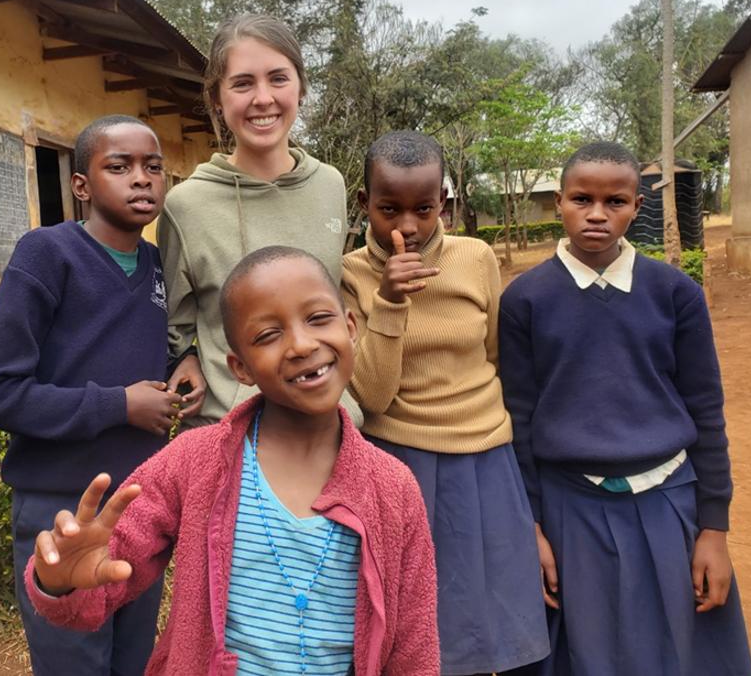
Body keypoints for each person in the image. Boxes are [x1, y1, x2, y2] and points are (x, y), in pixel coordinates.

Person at [23, 246, 440, 675]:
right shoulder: (194, 462)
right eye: (268, 335)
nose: (301, 344)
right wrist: (61, 580)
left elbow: (415, 649)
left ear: (351, 326)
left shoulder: (394, 488)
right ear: (240, 368)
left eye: (318, 319)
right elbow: (103, 579)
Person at [498, 141, 751, 676]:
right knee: (582, 653)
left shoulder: (675, 293)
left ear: (638, 206)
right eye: (580, 199)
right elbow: (518, 420)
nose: (596, 214)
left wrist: (714, 528)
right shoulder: (525, 300)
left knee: (679, 650)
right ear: (560, 202)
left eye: (615, 201)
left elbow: (706, 411)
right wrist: (534, 527)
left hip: (670, 503)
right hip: (570, 507)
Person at [0, 115, 192, 675]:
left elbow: (127, 352)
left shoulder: (154, 265)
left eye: (152, 167)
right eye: (119, 167)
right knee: (74, 662)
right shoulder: (47, 254)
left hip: (137, 507)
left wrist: (180, 363)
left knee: (132, 660)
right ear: (82, 185)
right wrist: (120, 404)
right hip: (60, 508)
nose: (141, 180)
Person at [341, 130, 549, 675]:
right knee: (415, 628)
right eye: (388, 209)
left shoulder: (475, 258)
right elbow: (372, 395)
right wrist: (388, 303)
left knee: (493, 622)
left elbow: (494, 355)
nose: (407, 226)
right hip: (401, 463)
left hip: (486, 460)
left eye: (424, 209)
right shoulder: (351, 275)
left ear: (444, 205)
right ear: (364, 203)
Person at [159, 13, 361, 427]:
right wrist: (188, 357)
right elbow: (172, 323)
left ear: (301, 89)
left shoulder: (330, 186)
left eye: (278, 78)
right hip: (231, 433)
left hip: (329, 426)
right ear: (217, 97)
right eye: (243, 83)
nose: (263, 98)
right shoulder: (186, 205)